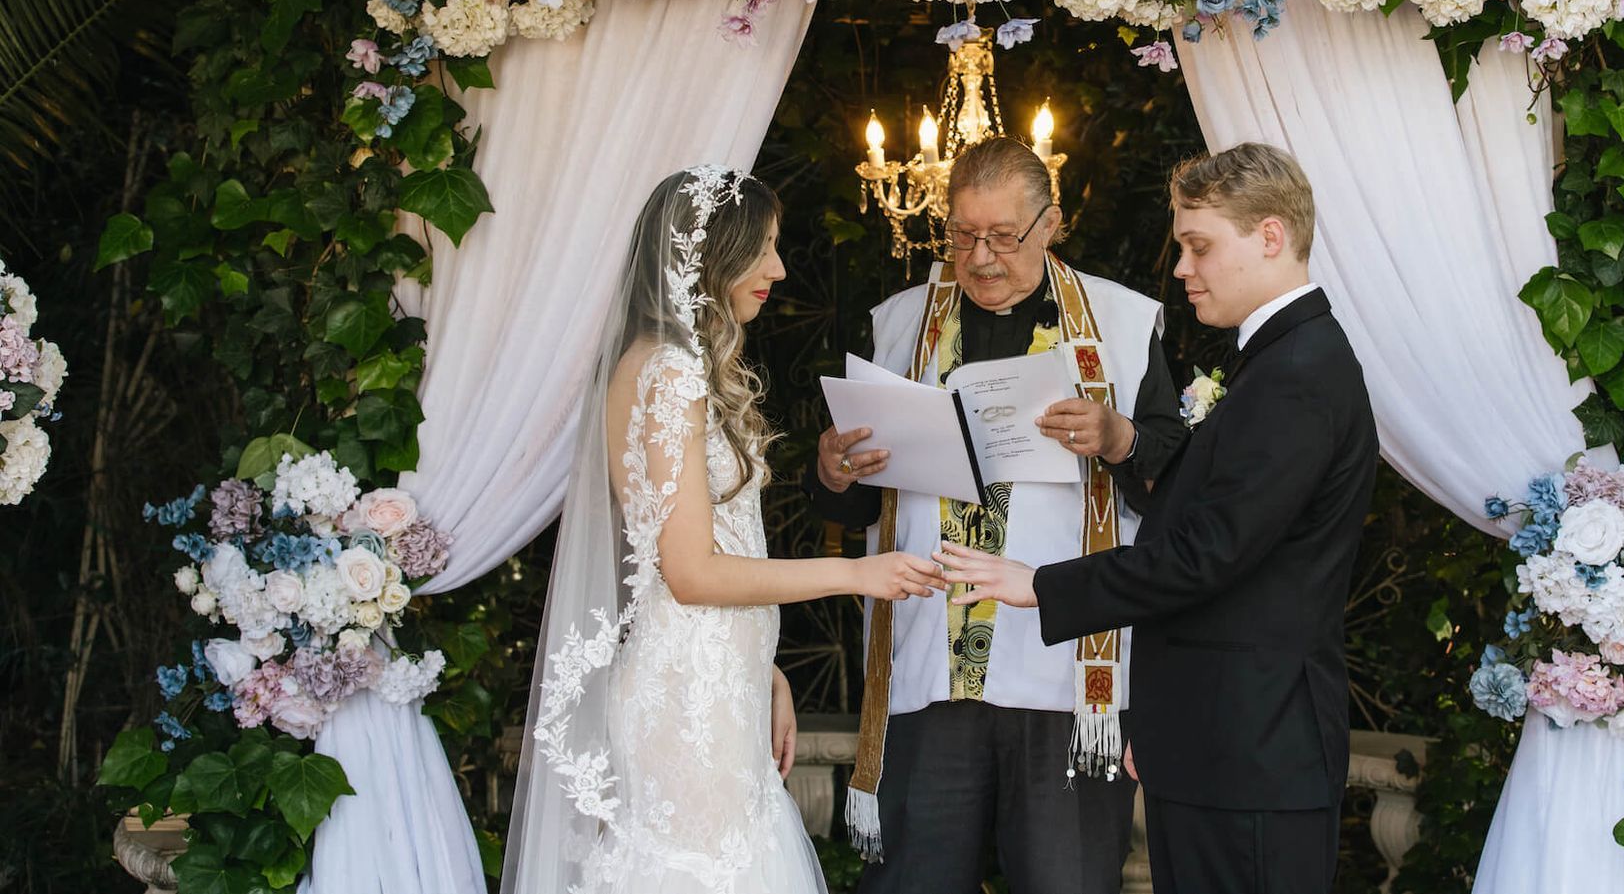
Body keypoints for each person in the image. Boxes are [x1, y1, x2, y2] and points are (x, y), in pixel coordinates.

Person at [939, 143, 1379, 894]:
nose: (1182, 268)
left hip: (1250, 750)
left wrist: (1040, 585)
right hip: (1218, 743)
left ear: (1270, 237)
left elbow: (1205, 554)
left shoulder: (1297, 377)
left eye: (1199, 246)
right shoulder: (1278, 362)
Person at [506, 166, 946, 894]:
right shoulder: (671, 372)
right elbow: (691, 570)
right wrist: (858, 572)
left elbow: (682, 554)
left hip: (713, 681)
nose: (777, 268)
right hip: (685, 702)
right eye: (762, 248)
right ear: (711, 254)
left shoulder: (669, 364)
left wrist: (763, 665)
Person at [807, 136, 1186, 894]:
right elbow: (847, 502)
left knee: (1067, 881)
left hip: (1066, 674)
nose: (979, 257)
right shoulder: (896, 322)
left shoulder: (1122, 320)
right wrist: (832, 469)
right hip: (930, 665)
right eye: (961, 234)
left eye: (1002, 236)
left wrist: (1119, 436)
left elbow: (1177, 482)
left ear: (1051, 224)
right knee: (914, 879)